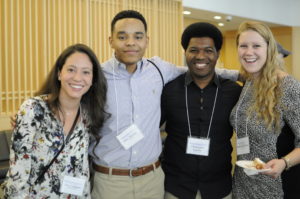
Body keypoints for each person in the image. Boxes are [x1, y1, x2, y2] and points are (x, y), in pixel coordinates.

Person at [88, 10, 239, 199]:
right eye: (122, 36)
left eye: (138, 36)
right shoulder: (95, 77)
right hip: (111, 180)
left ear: (147, 40)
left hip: (152, 180)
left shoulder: (158, 69)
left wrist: (240, 75)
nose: (130, 42)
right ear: (111, 40)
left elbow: (197, 68)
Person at [2, 44, 108, 198]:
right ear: (59, 73)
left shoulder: (89, 116)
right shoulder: (34, 110)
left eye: (86, 72)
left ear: (92, 80)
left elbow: (82, 169)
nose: (78, 78)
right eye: (71, 70)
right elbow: (18, 171)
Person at [160, 22, 242, 199]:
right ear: (185, 53)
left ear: (218, 54)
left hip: (219, 188)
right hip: (176, 187)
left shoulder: (234, 91)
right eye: (194, 50)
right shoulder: (169, 90)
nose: (201, 56)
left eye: (208, 50)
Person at [230, 21, 300, 199]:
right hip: (243, 183)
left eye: (256, 46)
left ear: (269, 49)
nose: (248, 52)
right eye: (243, 46)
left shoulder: (287, 86)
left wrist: (285, 162)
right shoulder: (249, 81)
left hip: (276, 186)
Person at [276, 43, 300, 199]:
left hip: (287, 175)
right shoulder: (251, 84)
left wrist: (285, 162)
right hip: (254, 177)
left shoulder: (289, 87)